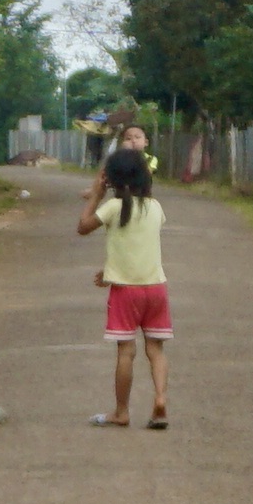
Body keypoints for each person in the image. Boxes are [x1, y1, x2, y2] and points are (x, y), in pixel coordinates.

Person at [80, 140, 175, 428]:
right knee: (155, 350)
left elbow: (83, 227)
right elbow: (137, 247)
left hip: (125, 292)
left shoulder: (112, 207)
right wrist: (109, 269)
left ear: (111, 179)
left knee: (126, 352)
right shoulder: (155, 207)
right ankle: (160, 398)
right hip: (156, 288)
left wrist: (95, 195)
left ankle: (121, 412)